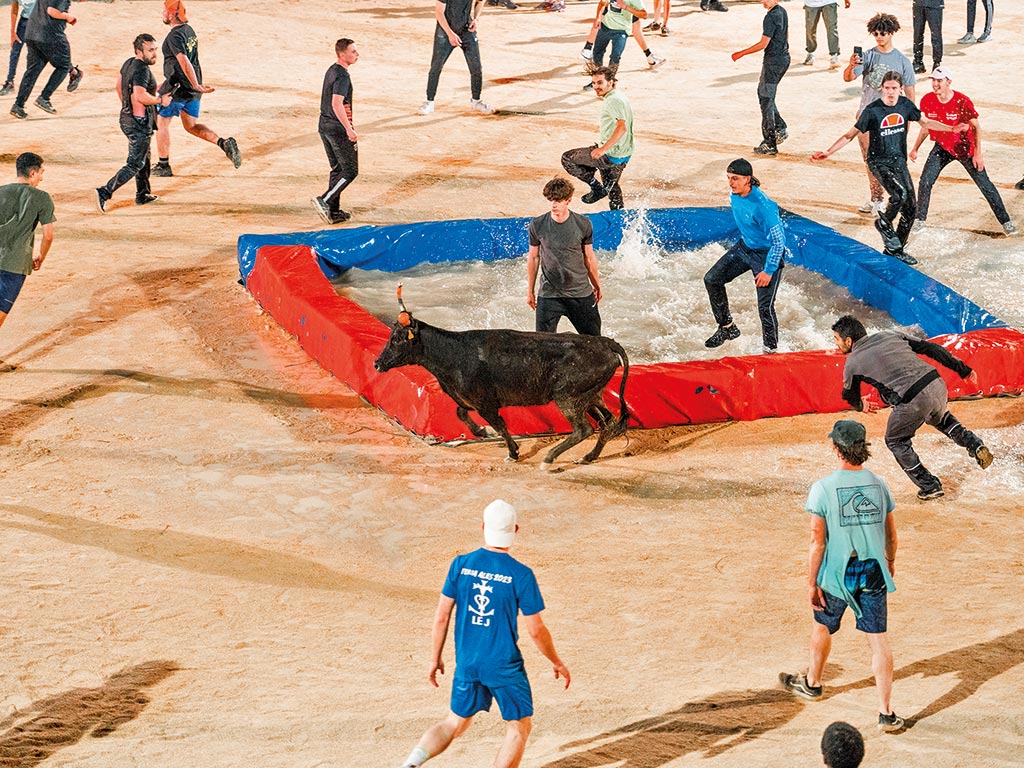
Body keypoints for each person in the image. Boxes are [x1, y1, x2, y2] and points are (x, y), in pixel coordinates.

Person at [398, 500, 570, 768]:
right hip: (503, 664)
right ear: (515, 529)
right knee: (519, 726)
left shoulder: (460, 564)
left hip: (468, 661)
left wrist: (435, 658)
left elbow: (442, 616)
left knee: (455, 722)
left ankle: (411, 763)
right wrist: (556, 661)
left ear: (482, 527)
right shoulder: (521, 575)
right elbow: (535, 630)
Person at [778, 419, 905, 734]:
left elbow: (817, 541)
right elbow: (891, 534)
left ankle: (813, 683)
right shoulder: (879, 484)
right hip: (873, 569)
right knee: (879, 642)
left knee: (822, 626)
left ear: (837, 449)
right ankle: (886, 713)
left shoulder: (822, 487)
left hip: (838, 572)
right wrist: (889, 561)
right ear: (864, 449)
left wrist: (812, 582)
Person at [811, 71, 966, 265]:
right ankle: (884, 223)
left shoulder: (905, 105)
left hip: (899, 162)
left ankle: (895, 248)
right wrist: (828, 151)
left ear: (900, 89)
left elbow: (925, 122)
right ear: (882, 89)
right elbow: (850, 135)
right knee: (899, 195)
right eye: (887, 88)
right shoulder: (872, 110)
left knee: (911, 208)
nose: (890, 92)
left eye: (894, 88)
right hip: (878, 161)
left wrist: (951, 128)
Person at [831, 315, 993, 501]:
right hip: (936, 384)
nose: (836, 344)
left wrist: (861, 405)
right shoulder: (890, 334)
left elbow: (848, 395)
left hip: (912, 400)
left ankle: (930, 486)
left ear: (849, 340)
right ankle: (975, 445)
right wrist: (963, 369)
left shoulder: (852, 363)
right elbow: (930, 348)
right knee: (942, 419)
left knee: (895, 440)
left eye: (836, 339)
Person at [910, 67, 1016, 236]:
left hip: (965, 148)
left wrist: (978, 153)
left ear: (948, 82)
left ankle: (1006, 221)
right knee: (925, 181)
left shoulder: (961, 101)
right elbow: (926, 126)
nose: (935, 84)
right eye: (934, 80)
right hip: (942, 146)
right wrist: (915, 148)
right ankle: (920, 219)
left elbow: (976, 127)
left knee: (985, 185)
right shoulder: (928, 100)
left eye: (939, 81)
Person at [703, 158, 788, 353]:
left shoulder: (763, 207)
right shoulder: (734, 193)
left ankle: (771, 350)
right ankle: (727, 328)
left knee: (765, 307)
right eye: (729, 178)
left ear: (748, 179)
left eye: (736, 178)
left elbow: (778, 242)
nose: (731, 183)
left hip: (766, 255)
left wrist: (768, 270)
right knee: (712, 279)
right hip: (745, 247)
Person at [153, 0, 241, 178]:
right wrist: (195, 86)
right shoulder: (189, 31)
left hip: (179, 89)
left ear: (171, 14)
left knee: (161, 123)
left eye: (164, 10)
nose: (162, 13)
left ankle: (163, 165)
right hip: (191, 90)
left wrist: (194, 84)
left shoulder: (174, 36)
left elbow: (184, 61)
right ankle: (223, 143)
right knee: (191, 126)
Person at [842, 13, 916, 216]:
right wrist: (850, 65)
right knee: (869, 160)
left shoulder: (902, 61)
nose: (879, 37)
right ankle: (877, 199)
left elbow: (910, 95)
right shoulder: (867, 56)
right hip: (866, 118)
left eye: (883, 33)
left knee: (887, 162)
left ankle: (894, 198)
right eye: (875, 33)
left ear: (891, 33)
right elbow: (848, 78)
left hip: (890, 121)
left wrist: (907, 122)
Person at [96, 34, 171, 214]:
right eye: (150, 50)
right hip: (138, 123)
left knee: (144, 157)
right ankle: (104, 191)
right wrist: (160, 101)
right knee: (135, 163)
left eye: (155, 49)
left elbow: (119, 86)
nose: (154, 54)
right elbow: (140, 96)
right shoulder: (142, 70)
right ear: (139, 52)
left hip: (127, 118)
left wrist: (127, 106)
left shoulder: (129, 63)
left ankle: (143, 193)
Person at [526, 177, 601, 335]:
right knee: (543, 348)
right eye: (550, 200)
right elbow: (534, 257)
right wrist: (530, 290)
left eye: (558, 200)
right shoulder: (537, 224)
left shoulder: (583, 224)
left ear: (568, 200)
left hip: (580, 293)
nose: (553, 205)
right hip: (549, 294)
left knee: (594, 343)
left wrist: (597, 285)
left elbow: (589, 257)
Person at [0, 153, 55, 366]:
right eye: (41, 173)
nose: (41, 177)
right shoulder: (42, 198)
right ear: (32, 173)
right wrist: (41, 256)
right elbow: (48, 235)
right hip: (15, 264)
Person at [560, 66, 632, 211]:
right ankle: (618, 217)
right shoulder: (619, 96)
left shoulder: (612, 101)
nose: (595, 87)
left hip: (609, 155)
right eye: (593, 83)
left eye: (600, 83)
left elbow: (622, 127)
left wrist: (603, 149)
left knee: (567, 158)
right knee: (611, 188)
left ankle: (594, 185)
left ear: (610, 82)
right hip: (624, 155)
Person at [732, 0, 789, 157]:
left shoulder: (770, 17)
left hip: (773, 63)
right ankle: (779, 127)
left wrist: (741, 53)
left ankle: (770, 142)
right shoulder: (782, 11)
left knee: (765, 98)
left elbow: (763, 44)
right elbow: (785, 34)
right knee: (766, 95)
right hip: (784, 59)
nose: (763, 1)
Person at [312, 38, 359, 226]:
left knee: (337, 169)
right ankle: (325, 200)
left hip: (324, 125)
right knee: (350, 170)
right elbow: (336, 103)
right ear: (342, 54)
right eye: (353, 51)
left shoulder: (332, 70)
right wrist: (349, 129)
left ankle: (334, 211)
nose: (357, 54)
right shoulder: (342, 76)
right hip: (338, 129)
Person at [417, 0, 493, 116]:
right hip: (445, 32)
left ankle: (476, 101)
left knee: (476, 67)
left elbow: (480, 1)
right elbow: (439, 13)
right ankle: (429, 101)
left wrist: (476, 19)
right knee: (436, 67)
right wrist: (450, 34)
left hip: (466, 30)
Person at [9, 0, 74, 119]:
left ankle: (18, 105)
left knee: (32, 71)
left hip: (32, 32)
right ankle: (44, 97)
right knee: (64, 66)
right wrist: (69, 17)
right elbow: (52, 11)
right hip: (50, 35)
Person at [580, 1, 665, 71]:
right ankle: (587, 49)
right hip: (617, 12)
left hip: (625, 12)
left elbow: (643, 15)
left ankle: (587, 49)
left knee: (634, 27)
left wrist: (626, 7)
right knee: (603, 20)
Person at [589, 0, 648, 83]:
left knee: (615, 56)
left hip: (621, 30)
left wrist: (626, 7)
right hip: (605, 26)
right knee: (597, 53)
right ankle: (597, 80)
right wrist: (597, 18)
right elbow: (602, 3)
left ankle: (609, 81)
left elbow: (644, 15)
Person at [802, 0, 849, 70]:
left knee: (832, 29)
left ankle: (834, 56)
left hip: (829, 2)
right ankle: (810, 53)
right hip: (811, 4)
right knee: (810, 29)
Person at [911, 0, 944, 75]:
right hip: (918, 4)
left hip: (934, 4)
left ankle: (937, 64)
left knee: (936, 34)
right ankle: (918, 61)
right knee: (917, 33)